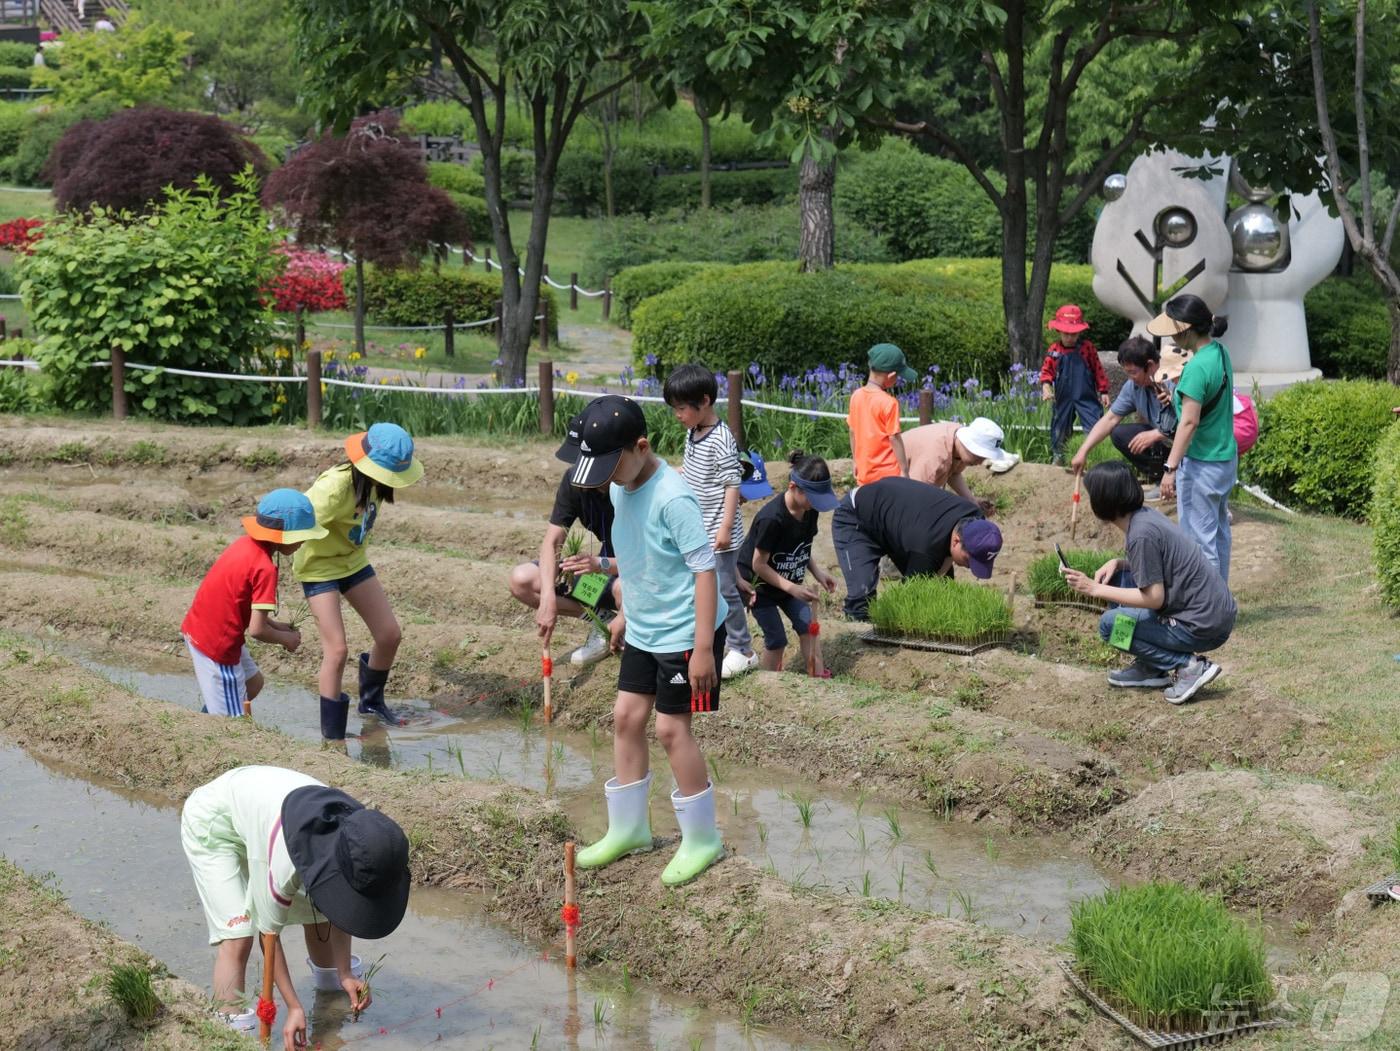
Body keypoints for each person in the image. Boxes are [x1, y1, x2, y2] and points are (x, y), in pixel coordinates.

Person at [569, 395, 727, 886]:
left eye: (612, 466)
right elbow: (644, 557)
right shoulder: (622, 489)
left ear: (642, 446)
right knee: (625, 717)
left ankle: (703, 839)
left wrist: (703, 648)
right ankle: (629, 828)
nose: (607, 479)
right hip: (645, 626)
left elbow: (704, 570)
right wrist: (619, 602)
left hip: (685, 632)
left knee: (670, 729)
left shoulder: (672, 496)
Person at [180, 765, 410, 1045]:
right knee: (238, 936)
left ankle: (330, 1016)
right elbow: (269, 936)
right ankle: (232, 1040)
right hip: (215, 823)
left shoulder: (361, 835)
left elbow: (344, 903)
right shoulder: (283, 862)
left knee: (322, 910)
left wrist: (345, 973)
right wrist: (293, 1006)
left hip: (268, 809)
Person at [1060, 462, 1236, 704]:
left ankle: (1187, 667)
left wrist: (1094, 588)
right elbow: (1161, 565)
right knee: (1119, 580)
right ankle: (1152, 665)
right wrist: (1119, 564)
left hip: (1203, 625)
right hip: (1211, 613)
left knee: (1110, 627)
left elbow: (1154, 598)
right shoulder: (1145, 517)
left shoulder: (1140, 534)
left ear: (1103, 501)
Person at [295, 423, 424, 740]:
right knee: (336, 650)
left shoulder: (375, 485)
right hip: (319, 567)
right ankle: (333, 735)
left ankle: (371, 704)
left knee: (389, 634)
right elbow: (297, 518)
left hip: (352, 561)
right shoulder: (334, 488)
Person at [181, 489, 326, 718]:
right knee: (233, 724)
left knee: (253, 683)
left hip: (202, 628)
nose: (304, 541)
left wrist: (277, 626)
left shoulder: (246, 545)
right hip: (217, 646)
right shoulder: (264, 568)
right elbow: (257, 630)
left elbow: (239, 603)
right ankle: (206, 729)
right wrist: (286, 639)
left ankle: (207, 717)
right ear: (283, 535)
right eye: (302, 535)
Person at [664, 364, 758, 679]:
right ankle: (713, 640)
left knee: (724, 590)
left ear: (704, 402)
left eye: (681, 408)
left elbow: (732, 484)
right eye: (674, 408)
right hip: (699, 527)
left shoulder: (721, 438)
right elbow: (696, 474)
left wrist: (725, 528)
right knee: (705, 587)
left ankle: (743, 649)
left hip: (719, 530)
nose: (677, 415)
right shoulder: (695, 432)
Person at [508, 411, 620, 666]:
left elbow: (647, 562)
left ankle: (625, 634)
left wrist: (601, 565)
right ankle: (601, 619)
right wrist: (548, 597)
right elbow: (552, 540)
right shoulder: (573, 481)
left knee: (624, 590)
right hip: (600, 570)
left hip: (629, 575)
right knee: (522, 580)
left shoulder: (628, 487)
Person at [1147, 295, 1238, 582]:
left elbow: (1189, 422)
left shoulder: (1196, 369)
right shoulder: (1220, 353)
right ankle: (1220, 601)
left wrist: (1170, 469)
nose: (1172, 336)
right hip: (1225, 459)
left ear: (1186, 330)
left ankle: (1208, 611)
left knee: (1200, 543)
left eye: (1174, 330)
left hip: (1202, 465)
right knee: (1219, 534)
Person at [831, 477, 1003, 620]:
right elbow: (907, 596)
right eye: (968, 560)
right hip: (857, 518)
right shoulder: (925, 548)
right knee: (863, 598)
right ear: (957, 541)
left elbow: (943, 563)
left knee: (942, 590)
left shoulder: (976, 518)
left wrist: (939, 574)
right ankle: (856, 636)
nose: (969, 566)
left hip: (898, 522)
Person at [736, 451, 840, 676]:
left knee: (808, 629)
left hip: (788, 583)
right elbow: (758, 565)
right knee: (777, 639)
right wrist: (792, 588)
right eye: (814, 497)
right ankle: (770, 683)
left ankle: (817, 676)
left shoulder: (809, 510)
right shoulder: (771, 519)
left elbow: (801, 547)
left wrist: (818, 573)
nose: (817, 504)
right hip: (759, 587)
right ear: (794, 487)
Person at [1070, 336, 1178, 495]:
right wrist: (1083, 451)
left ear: (1150, 365)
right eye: (1127, 373)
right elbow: (1110, 419)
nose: (1130, 378)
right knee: (1120, 433)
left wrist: (1157, 433)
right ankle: (1161, 479)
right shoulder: (1133, 387)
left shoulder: (1175, 379)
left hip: (1192, 444)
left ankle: (1178, 476)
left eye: (1133, 372)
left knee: (1156, 435)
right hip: (1166, 441)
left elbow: (1190, 423)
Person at [1040, 304, 1111, 465]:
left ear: (1080, 331)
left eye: (1074, 334)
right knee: (1060, 427)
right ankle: (1059, 456)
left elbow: (1098, 370)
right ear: (1059, 331)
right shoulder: (1054, 350)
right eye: (1066, 334)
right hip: (1063, 398)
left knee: (1095, 425)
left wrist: (1104, 391)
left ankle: (1096, 457)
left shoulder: (1088, 349)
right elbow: (1046, 372)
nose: (1070, 338)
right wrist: (1046, 387)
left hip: (1085, 396)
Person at [899, 416, 1010, 513]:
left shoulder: (957, 443)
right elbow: (914, 499)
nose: (980, 462)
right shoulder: (935, 459)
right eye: (979, 455)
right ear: (969, 444)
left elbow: (953, 474)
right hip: (889, 478)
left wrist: (972, 501)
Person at [847, 342, 917, 485]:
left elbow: (852, 431)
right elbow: (894, 438)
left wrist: (855, 461)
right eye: (898, 376)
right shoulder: (889, 402)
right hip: (888, 475)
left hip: (864, 474)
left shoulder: (856, 396)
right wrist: (904, 471)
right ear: (891, 375)